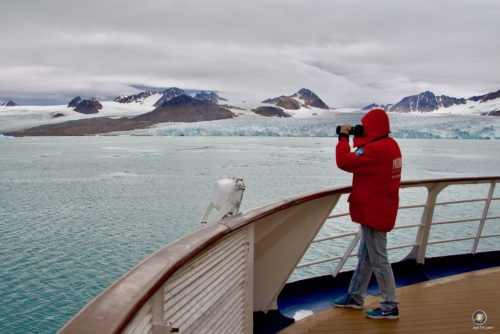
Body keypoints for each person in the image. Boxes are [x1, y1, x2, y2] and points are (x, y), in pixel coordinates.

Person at [333, 108, 402, 320]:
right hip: (381, 208)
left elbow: (345, 161)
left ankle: (390, 305)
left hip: (373, 210)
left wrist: (344, 137)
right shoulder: (391, 145)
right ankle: (355, 296)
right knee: (366, 256)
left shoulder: (376, 150)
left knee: (379, 259)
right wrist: (359, 138)